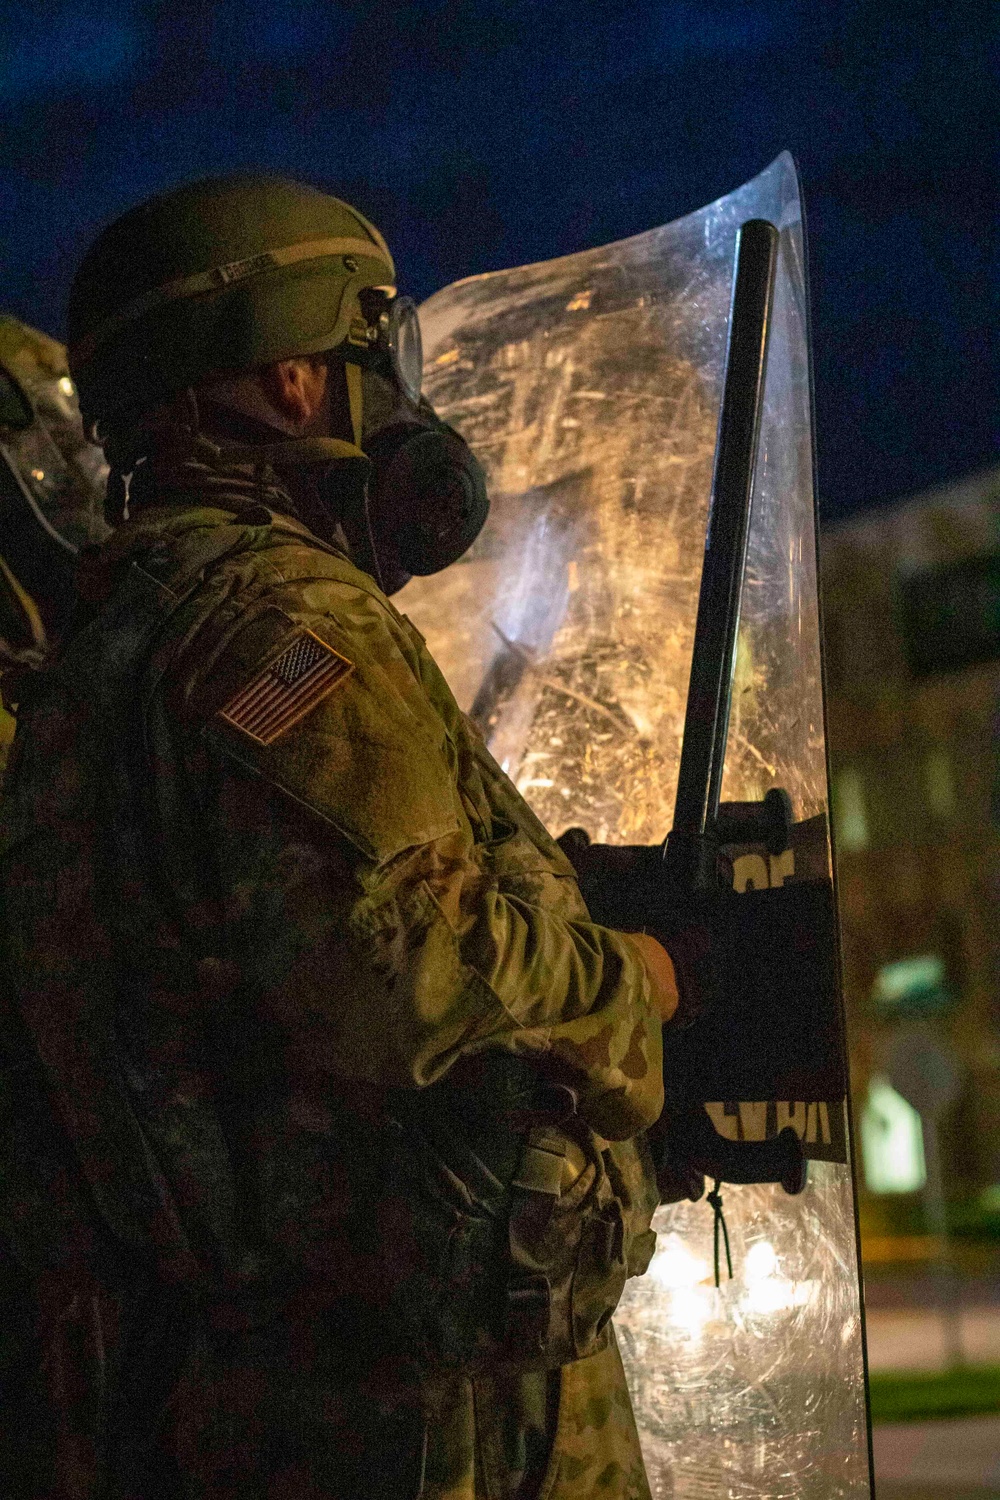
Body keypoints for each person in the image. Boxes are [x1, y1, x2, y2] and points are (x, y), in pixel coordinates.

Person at [0, 175, 681, 1500]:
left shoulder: (103, 656)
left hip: (240, 1401)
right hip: (433, 1414)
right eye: (375, 354)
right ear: (299, 376)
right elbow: (416, 978)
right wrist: (640, 977)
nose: (399, 403)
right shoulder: (285, 623)